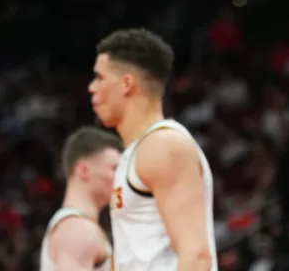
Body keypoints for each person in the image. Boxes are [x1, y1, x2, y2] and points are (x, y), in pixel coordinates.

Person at [88, 28, 217, 270]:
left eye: (99, 78)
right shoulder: (137, 152)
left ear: (126, 84)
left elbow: (197, 256)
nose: (91, 88)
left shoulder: (163, 146)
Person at [40, 126, 123, 271]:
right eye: (115, 169)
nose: (121, 179)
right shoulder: (78, 229)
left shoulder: (77, 226)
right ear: (84, 171)